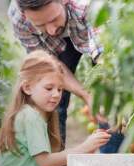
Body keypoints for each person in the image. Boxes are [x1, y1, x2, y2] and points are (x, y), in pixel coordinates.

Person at [8, 0, 103, 145]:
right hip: (55, 47)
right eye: (40, 25)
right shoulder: (19, 18)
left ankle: (111, 154)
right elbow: (51, 66)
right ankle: (55, 158)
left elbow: (105, 57)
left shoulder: (88, 5)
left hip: (83, 23)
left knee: (106, 98)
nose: (51, 31)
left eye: (53, 19)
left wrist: (100, 97)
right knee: (50, 95)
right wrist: (85, 94)